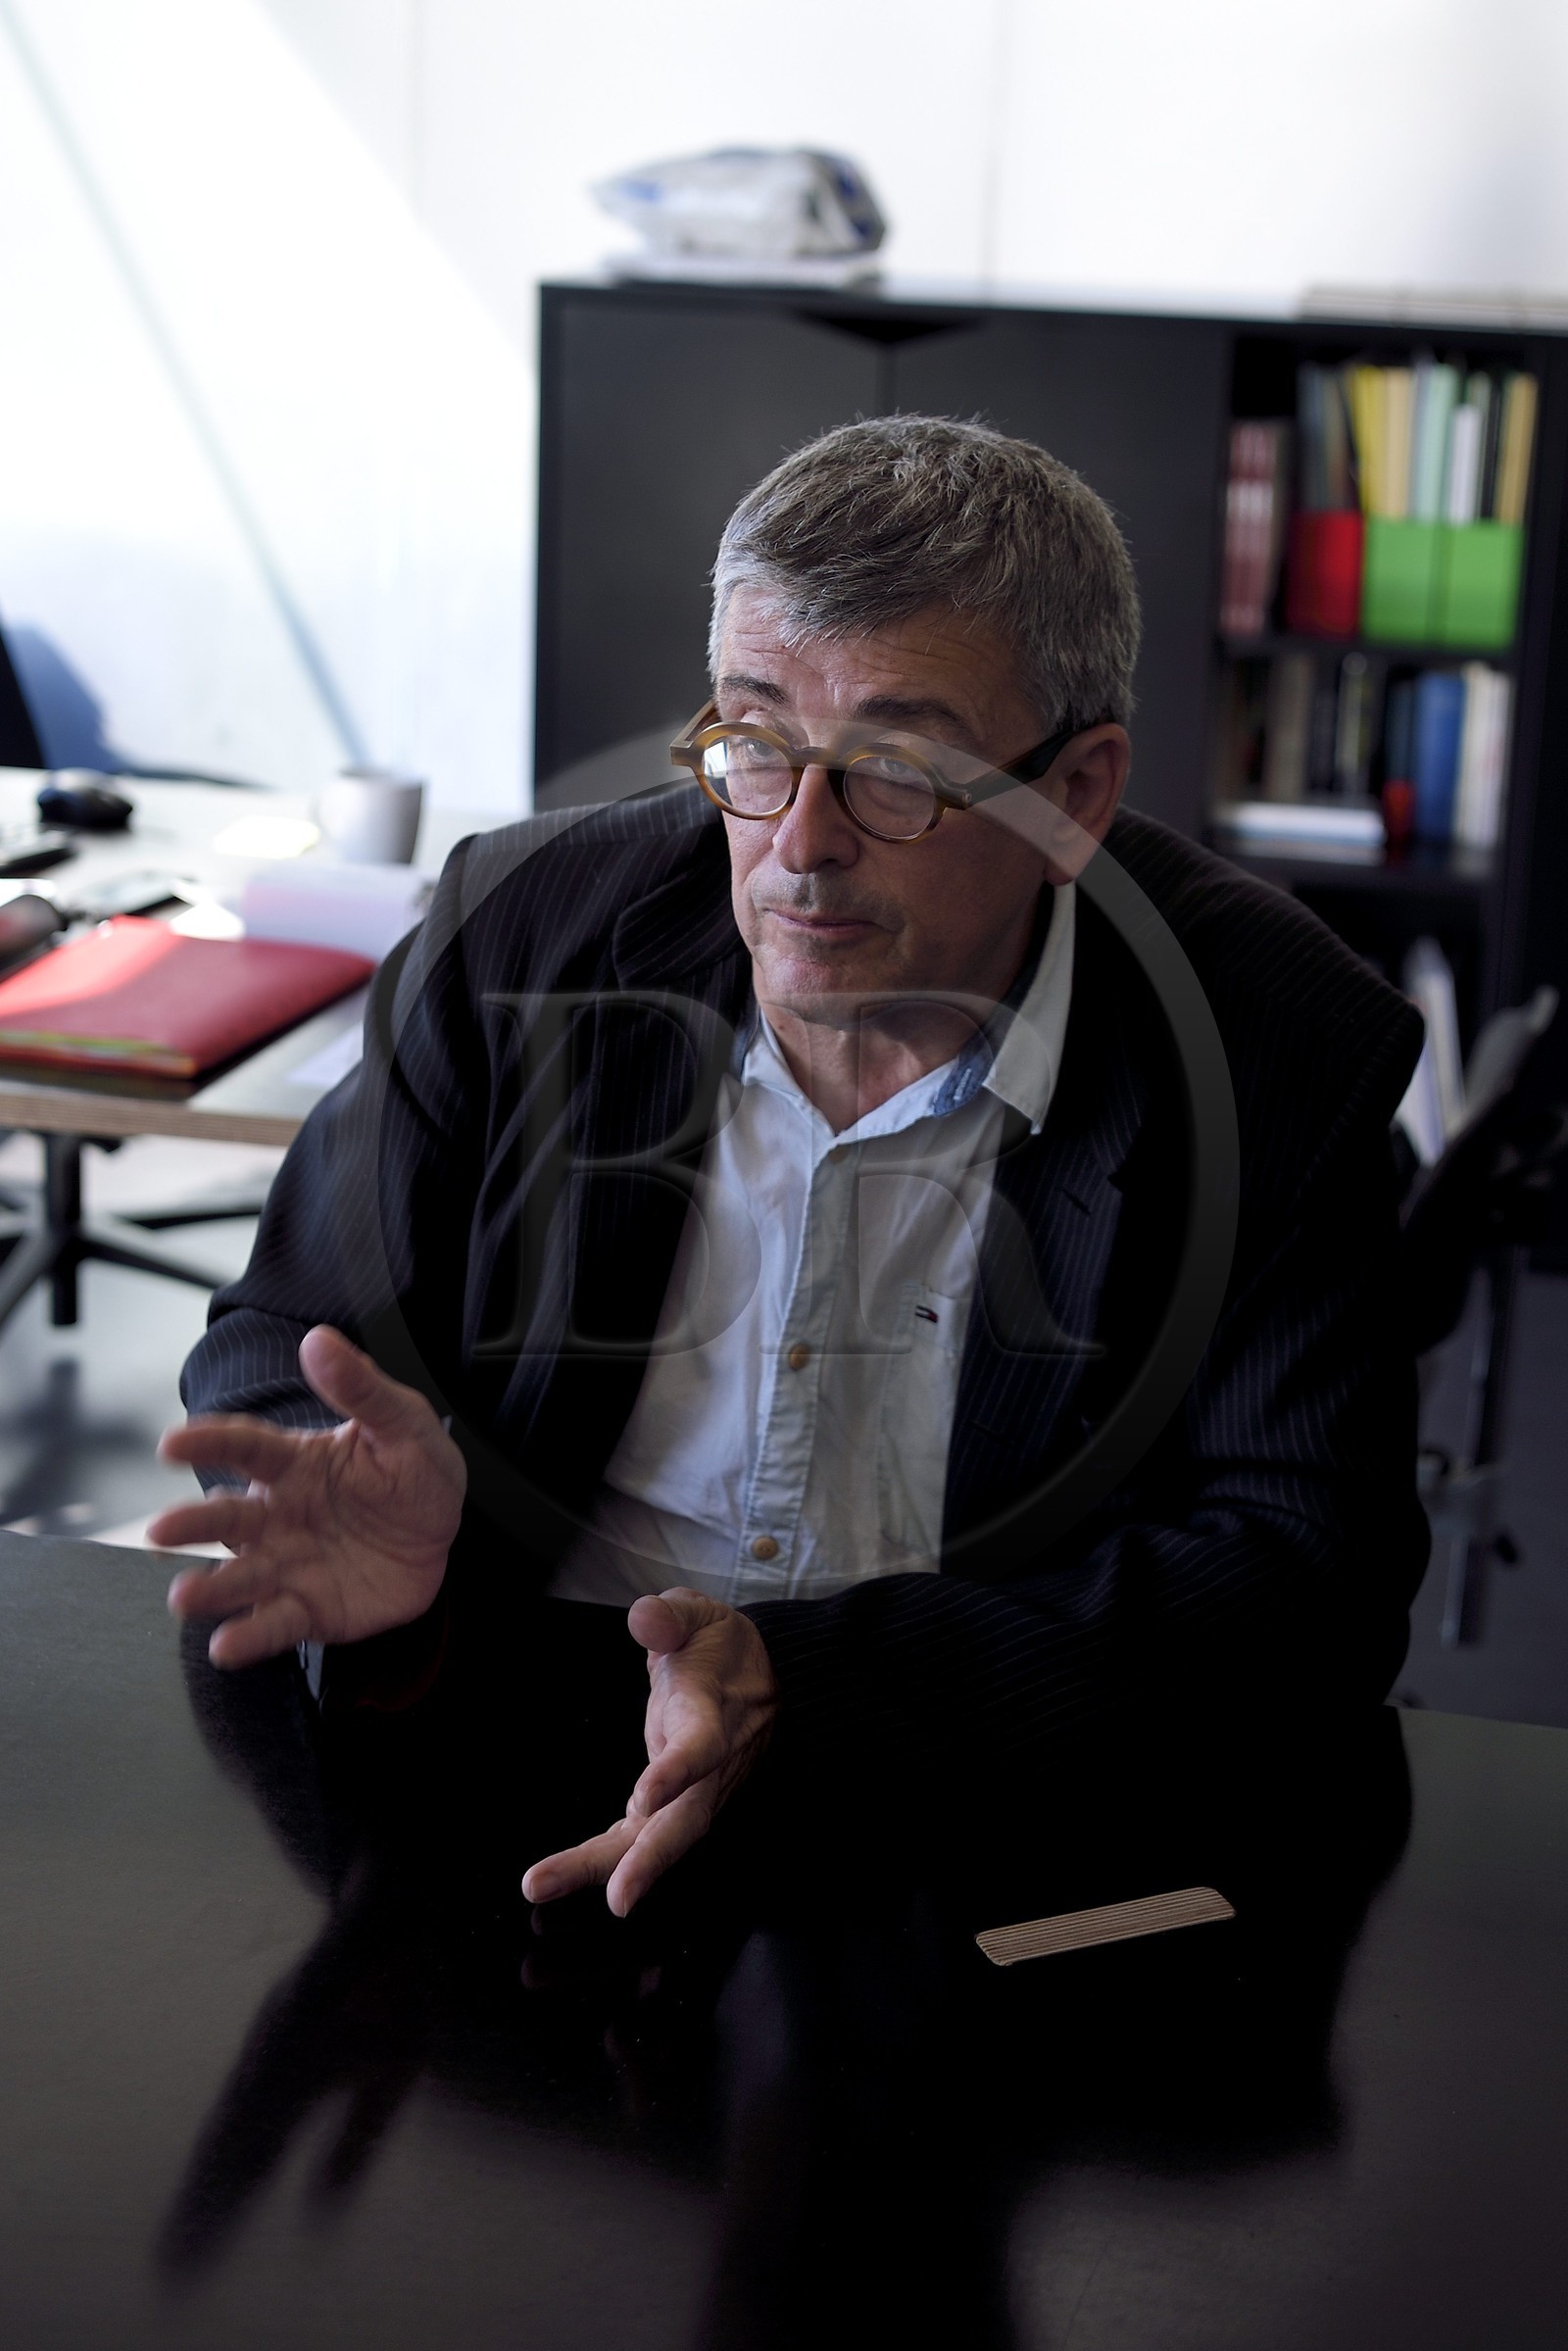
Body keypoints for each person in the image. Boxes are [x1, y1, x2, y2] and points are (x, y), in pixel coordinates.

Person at [152, 416, 1428, 1917]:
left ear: (1075, 796)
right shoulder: (523, 924)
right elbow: (287, 1331)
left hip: (964, 1798)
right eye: (754, 744)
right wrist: (352, 1488)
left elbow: (1305, 1579)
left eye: (895, 768)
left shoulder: (1278, 1047)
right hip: (513, 1738)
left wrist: (815, 1688)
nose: (799, 845)